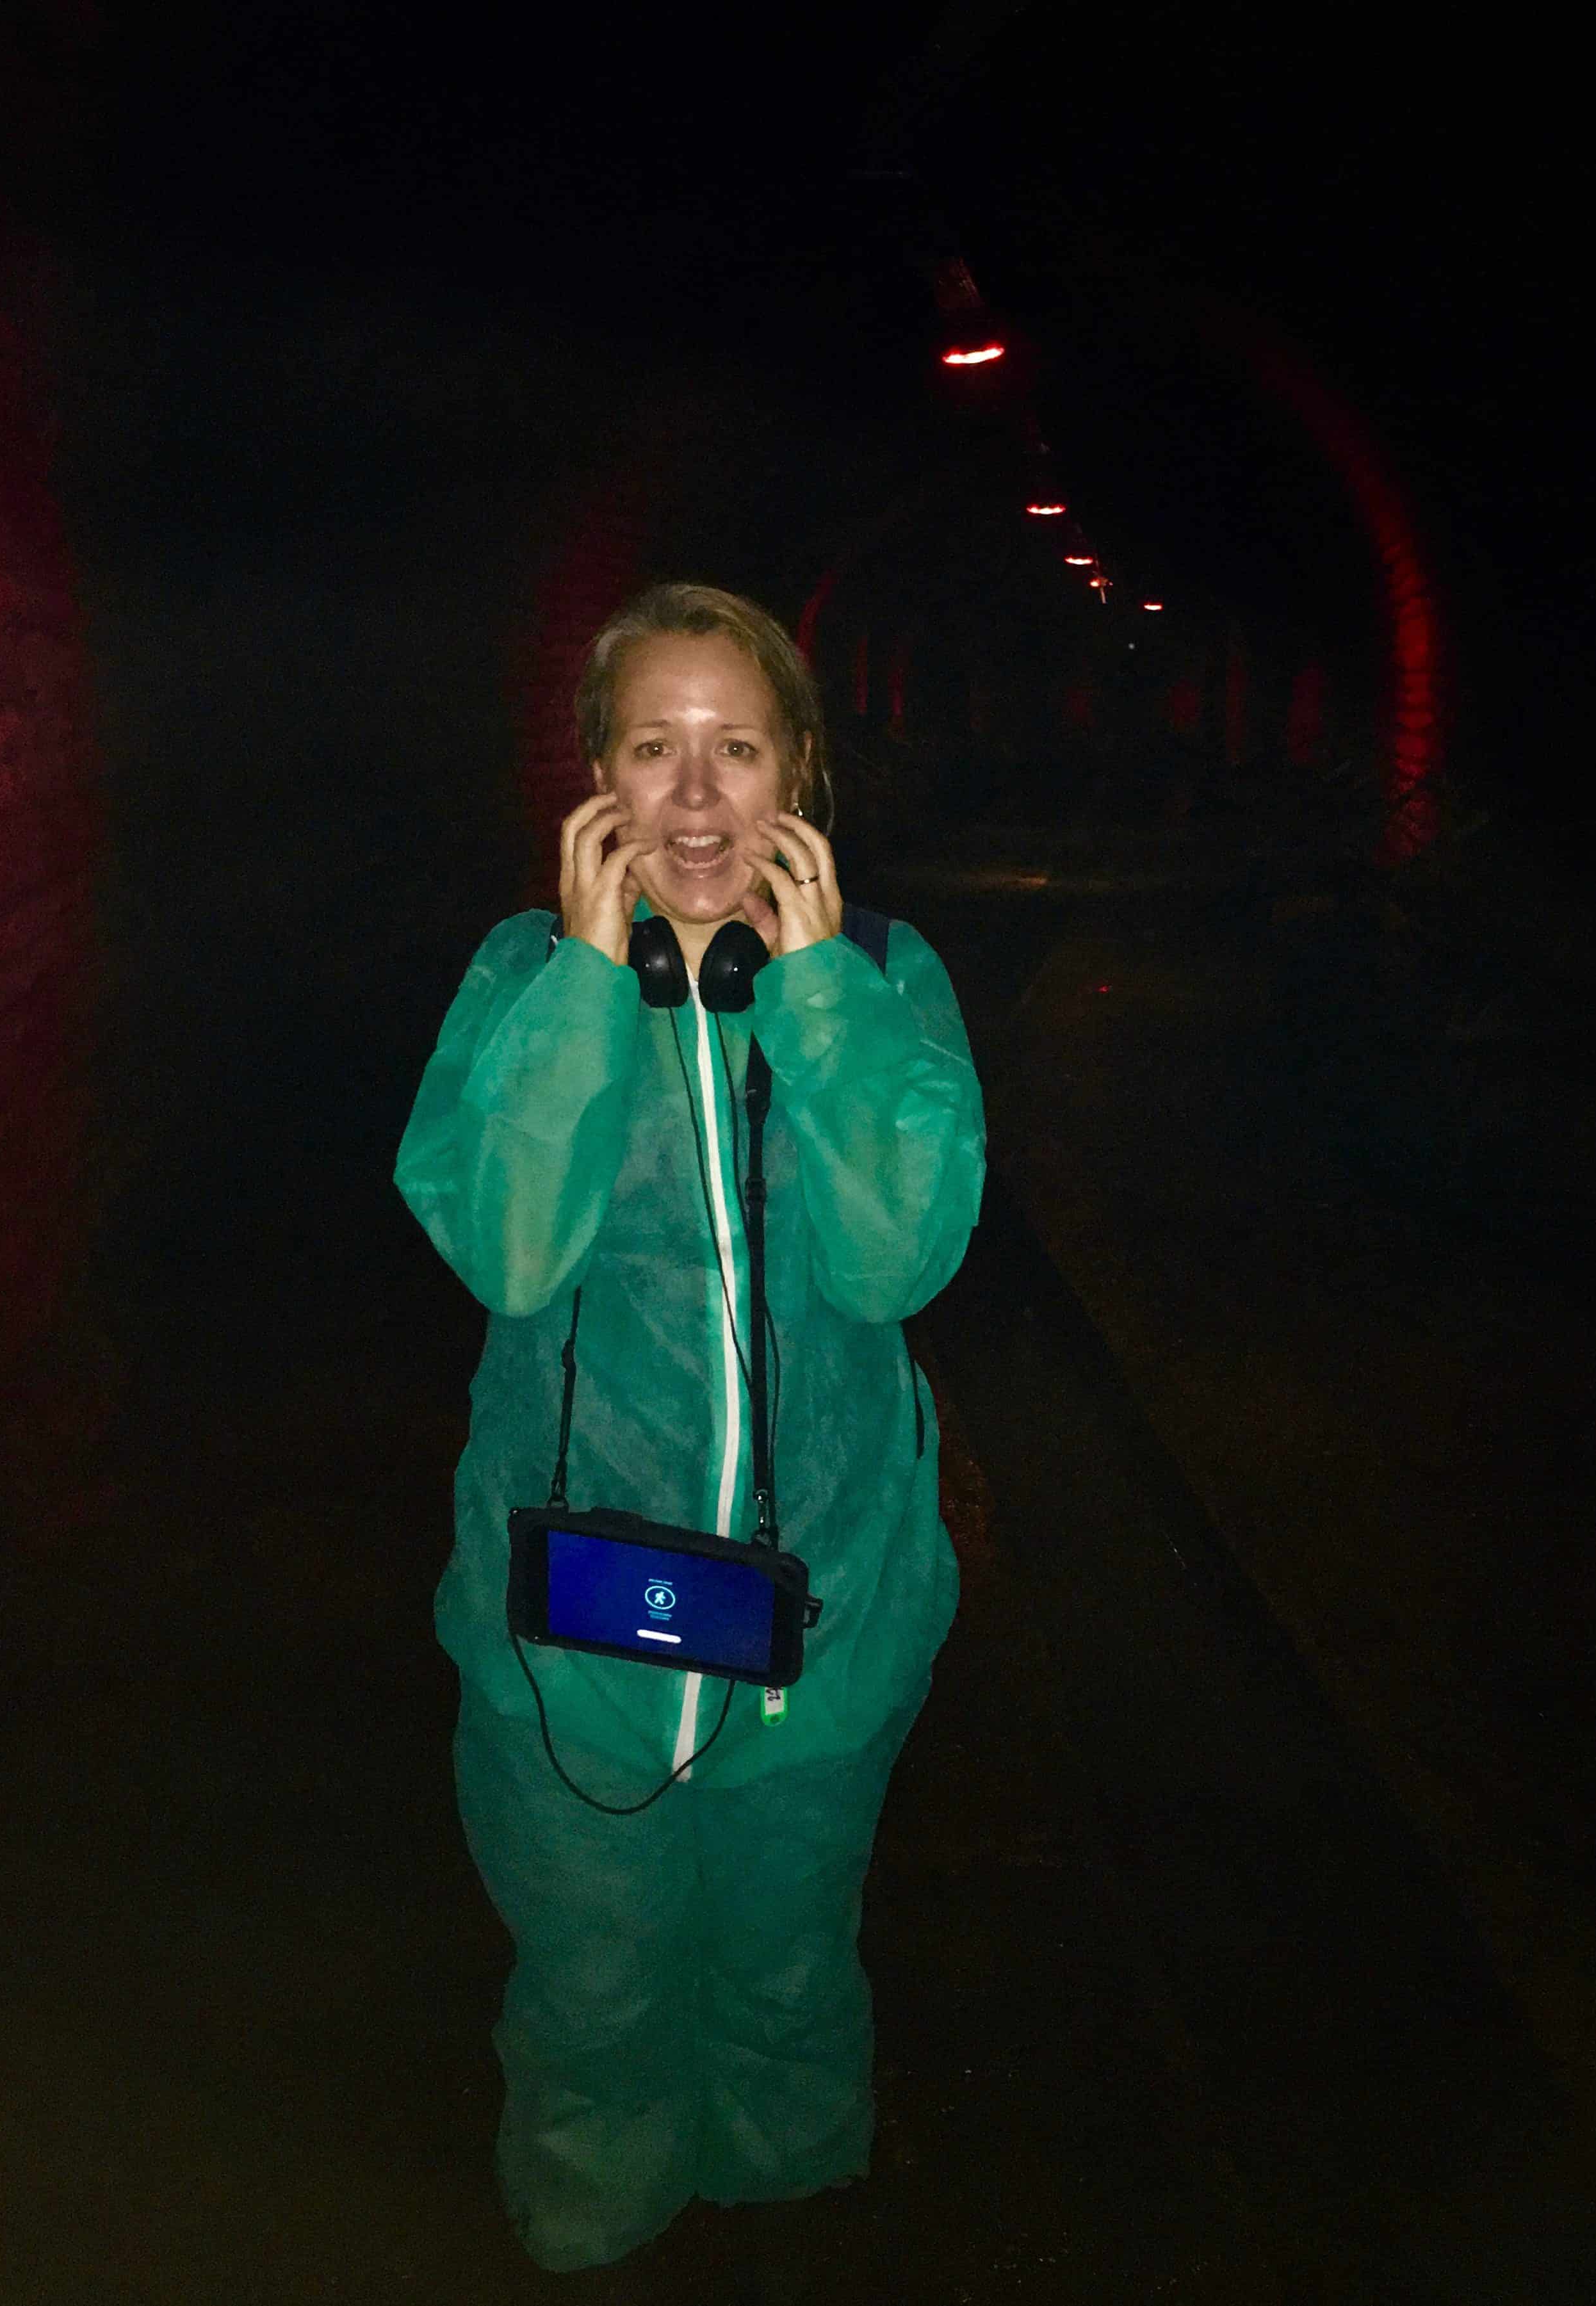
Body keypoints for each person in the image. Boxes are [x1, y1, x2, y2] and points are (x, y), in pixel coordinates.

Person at [395, 582, 985, 2272]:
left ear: (803, 769)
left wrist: (810, 1005)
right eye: (656, 747)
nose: (701, 795)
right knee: (594, 1974)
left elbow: (899, 1252)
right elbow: (505, 1243)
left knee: (791, 1962)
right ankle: (594, 2214)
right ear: (593, 774)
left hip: (830, 1636)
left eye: (740, 747)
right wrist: (589, 987)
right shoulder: (523, 978)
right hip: (569, 1655)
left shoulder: (881, 977)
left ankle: (790, 2207)